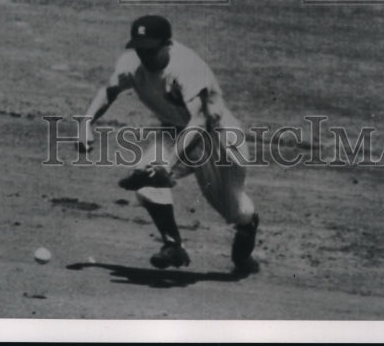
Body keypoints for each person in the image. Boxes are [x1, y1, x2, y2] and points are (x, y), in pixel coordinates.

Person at [79, 14, 259, 272]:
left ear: (167, 44)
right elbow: (108, 91)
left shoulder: (186, 68)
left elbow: (199, 122)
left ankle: (244, 249)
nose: (145, 56)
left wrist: (168, 165)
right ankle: (173, 246)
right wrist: (86, 123)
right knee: (147, 187)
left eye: (150, 50)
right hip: (174, 132)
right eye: (140, 50)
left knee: (237, 212)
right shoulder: (131, 63)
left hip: (218, 139)